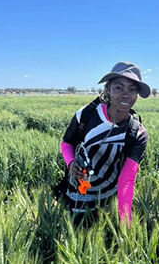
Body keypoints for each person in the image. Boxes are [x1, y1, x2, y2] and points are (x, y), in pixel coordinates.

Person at [60, 62, 150, 226]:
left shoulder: (138, 133)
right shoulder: (86, 115)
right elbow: (66, 144)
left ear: (137, 94)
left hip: (109, 197)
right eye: (119, 88)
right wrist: (71, 162)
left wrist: (125, 222)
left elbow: (127, 179)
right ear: (108, 89)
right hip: (79, 192)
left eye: (132, 89)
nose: (126, 94)